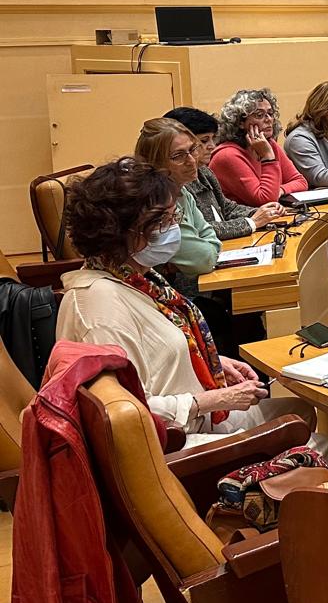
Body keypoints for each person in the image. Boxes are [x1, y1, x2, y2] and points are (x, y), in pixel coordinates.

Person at [55, 158, 314, 445]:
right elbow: (126, 413)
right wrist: (214, 399)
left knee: (300, 411)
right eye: (162, 222)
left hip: (197, 414)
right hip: (176, 440)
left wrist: (214, 363)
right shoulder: (99, 307)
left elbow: (159, 353)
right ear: (119, 232)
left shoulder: (138, 277)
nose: (172, 229)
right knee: (321, 445)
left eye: (172, 218)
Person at [133, 117, 264, 358]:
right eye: (178, 156)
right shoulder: (158, 202)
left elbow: (209, 236)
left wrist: (206, 243)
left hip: (184, 290)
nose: (192, 160)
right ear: (155, 164)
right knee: (232, 317)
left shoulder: (183, 193)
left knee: (248, 315)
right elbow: (202, 258)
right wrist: (207, 244)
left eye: (192, 149)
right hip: (157, 299)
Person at [166, 107, 283, 238]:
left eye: (212, 139)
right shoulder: (174, 182)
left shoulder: (204, 172)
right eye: (204, 141)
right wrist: (252, 222)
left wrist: (264, 213)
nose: (212, 146)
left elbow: (226, 207)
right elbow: (200, 229)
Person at [208, 88, 310, 208]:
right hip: (242, 221)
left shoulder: (269, 144)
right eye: (259, 115)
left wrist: (281, 190)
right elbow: (265, 200)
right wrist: (268, 157)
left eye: (270, 114)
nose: (269, 119)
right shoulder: (227, 155)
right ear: (240, 122)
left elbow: (301, 181)